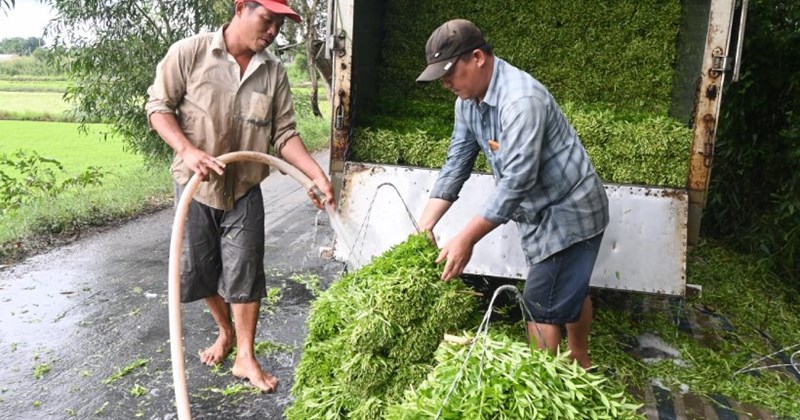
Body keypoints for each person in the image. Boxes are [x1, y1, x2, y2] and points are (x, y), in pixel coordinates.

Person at [145, 0, 334, 393]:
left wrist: (314, 174)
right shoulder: (191, 52)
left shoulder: (274, 72)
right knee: (199, 270)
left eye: (280, 25)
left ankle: (245, 355)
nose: (272, 32)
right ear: (240, 8)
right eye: (267, 19)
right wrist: (188, 150)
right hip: (195, 187)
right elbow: (158, 108)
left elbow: (283, 135)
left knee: (246, 272)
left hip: (245, 187)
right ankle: (225, 332)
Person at [416, 19, 609, 368]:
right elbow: (457, 161)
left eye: (449, 73)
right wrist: (425, 224)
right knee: (570, 287)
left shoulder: (520, 101)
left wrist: (466, 238)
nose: (445, 83)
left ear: (477, 57)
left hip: (571, 212)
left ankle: (542, 388)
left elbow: (516, 182)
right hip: (541, 212)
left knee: (541, 305)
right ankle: (581, 362)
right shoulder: (467, 102)